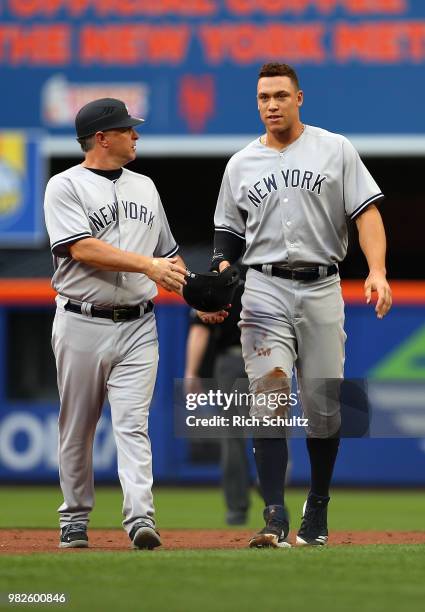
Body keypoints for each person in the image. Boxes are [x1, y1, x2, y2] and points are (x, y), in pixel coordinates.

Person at [200, 63, 392, 548]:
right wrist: (223, 267)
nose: (271, 104)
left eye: (281, 95)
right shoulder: (241, 163)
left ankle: (318, 506)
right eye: (264, 97)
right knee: (268, 398)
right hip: (264, 287)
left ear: (299, 98)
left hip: (323, 284)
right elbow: (227, 233)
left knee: (325, 407)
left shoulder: (335, 149)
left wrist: (377, 270)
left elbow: (366, 213)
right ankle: (273, 517)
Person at [44, 98, 187, 550]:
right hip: (81, 320)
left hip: (139, 324)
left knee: (132, 423)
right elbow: (81, 248)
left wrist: (194, 293)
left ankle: (141, 518)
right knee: (78, 425)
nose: (136, 135)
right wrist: (150, 266)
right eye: (127, 129)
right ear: (102, 138)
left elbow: (167, 255)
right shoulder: (64, 186)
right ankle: (74, 518)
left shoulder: (146, 187)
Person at [184, 270, 251, 525]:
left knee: (233, 438)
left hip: (232, 361)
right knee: (273, 433)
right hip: (270, 356)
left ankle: (237, 508)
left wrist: (191, 372)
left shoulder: (219, 278)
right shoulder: (273, 269)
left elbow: (200, 330)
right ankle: (273, 498)